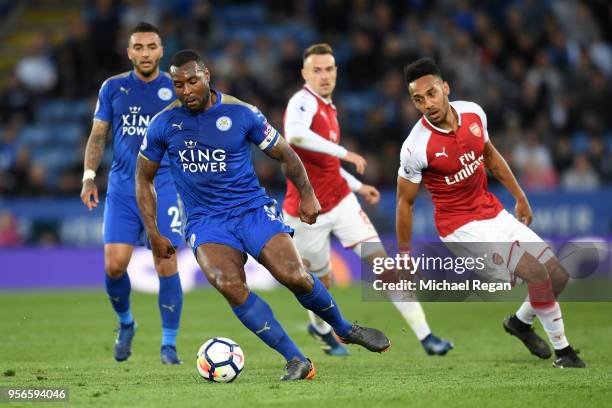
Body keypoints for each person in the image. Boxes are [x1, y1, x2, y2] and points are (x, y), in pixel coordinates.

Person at [136, 49, 390, 381]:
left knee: (294, 275)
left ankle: (344, 328)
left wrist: (308, 195)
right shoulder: (164, 124)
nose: (186, 91)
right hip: (206, 222)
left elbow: (286, 154)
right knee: (229, 284)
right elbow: (143, 178)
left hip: (253, 210)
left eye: (192, 81)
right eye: (178, 85)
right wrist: (153, 232)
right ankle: (296, 359)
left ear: (207, 75)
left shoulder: (243, 114)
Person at [396, 57, 585, 368]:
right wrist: (403, 255)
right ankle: (564, 353)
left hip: (491, 211)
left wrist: (519, 195)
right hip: (460, 227)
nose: (426, 104)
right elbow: (405, 202)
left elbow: (490, 155)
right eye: (418, 99)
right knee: (536, 274)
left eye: (431, 94)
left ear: (446, 88)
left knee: (558, 276)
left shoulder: (473, 113)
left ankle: (521, 324)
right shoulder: (415, 147)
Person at [283, 43, 453, 356]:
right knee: (318, 281)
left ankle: (426, 336)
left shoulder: (329, 108)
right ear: (304, 73)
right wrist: (344, 152)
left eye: (329, 69)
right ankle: (321, 329)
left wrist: (358, 186)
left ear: (336, 71)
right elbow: (293, 135)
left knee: (382, 265)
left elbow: (324, 165)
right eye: (317, 70)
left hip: (342, 200)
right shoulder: (302, 103)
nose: (324, 75)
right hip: (306, 212)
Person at [80, 22, 184, 365]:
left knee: (166, 263)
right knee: (114, 266)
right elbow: (98, 135)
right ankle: (126, 324)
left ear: (161, 50)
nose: (144, 53)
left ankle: (169, 345)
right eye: (138, 47)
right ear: (129, 52)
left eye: (151, 46)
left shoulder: (177, 89)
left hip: (164, 187)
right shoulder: (113, 88)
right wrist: (89, 176)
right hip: (123, 188)